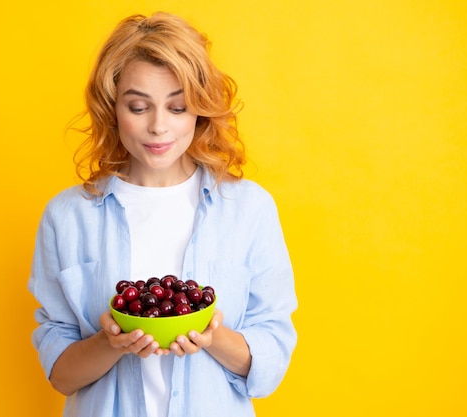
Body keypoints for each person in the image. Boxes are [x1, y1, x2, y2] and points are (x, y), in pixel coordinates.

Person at [28, 12, 297, 417]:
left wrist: (212, 336)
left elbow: (270, 364)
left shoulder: (249, 210)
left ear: (200, 110)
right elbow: (61, 376)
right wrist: (109, 342)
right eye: (138, 107)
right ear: (112, 107)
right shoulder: (67, 217)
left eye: (177, 107)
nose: (158, 127)